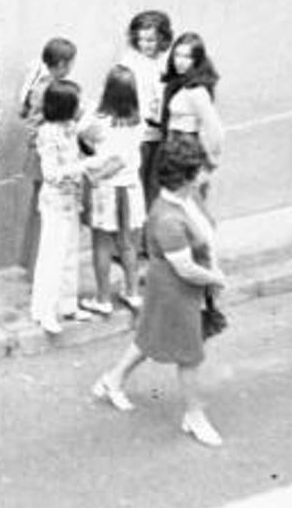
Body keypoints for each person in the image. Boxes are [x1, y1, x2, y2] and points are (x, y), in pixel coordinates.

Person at [92, 136, 228, 447]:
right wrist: (216, 278)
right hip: (175, 291)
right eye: (200, 169)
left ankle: (113, 380)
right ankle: (194, 416)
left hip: (184, 287)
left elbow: (204, 239)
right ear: (186, 176)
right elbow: (185, 268)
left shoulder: (188, 199)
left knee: (150, 336)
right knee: (190, 355)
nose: (206, 173)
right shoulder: (168, 218)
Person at [79, 65, 147, 317]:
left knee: (101, 245)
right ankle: (132, 292)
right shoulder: (138, 123)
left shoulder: (99, 122)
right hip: (130, 189)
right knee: (128, 244)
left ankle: (103, 298)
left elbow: (82, 132)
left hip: (105, 190)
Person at [29, 79, 92, 334]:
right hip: (56, 200)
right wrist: (83, 167)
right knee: (52, 256)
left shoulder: (71, 128)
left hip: (72, 198)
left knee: (70, 251)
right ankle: (45, 310)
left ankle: (67, 303)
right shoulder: (48, 133)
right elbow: (51, 173)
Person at [17, 37, 78, 276]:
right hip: (46, 154)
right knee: (44, 212)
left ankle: (33, 264)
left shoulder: (40, 81)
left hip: (39, 152)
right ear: (62, 64)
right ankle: (38, 267)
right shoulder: (49, 88)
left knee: (39, 209)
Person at [119, 10, 173, 214]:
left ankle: (153, 236)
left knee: (156, 184)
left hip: (162, 132)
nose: (145, 45)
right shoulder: (129, 62)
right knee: (137, 185)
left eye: (151, 40)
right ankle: (138, 237)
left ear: (162, 38)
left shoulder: (167, 61)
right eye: (141, 40)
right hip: (139, 133)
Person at [160, 32, 224, 196]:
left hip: (186, 151)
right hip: (173, 148)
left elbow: (215, 130)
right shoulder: (179, 84)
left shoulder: (197, 91)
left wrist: (211, 164)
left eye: (187, 57)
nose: (180, 61)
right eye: (177, 55)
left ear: (196, 60)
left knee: (187, 202)